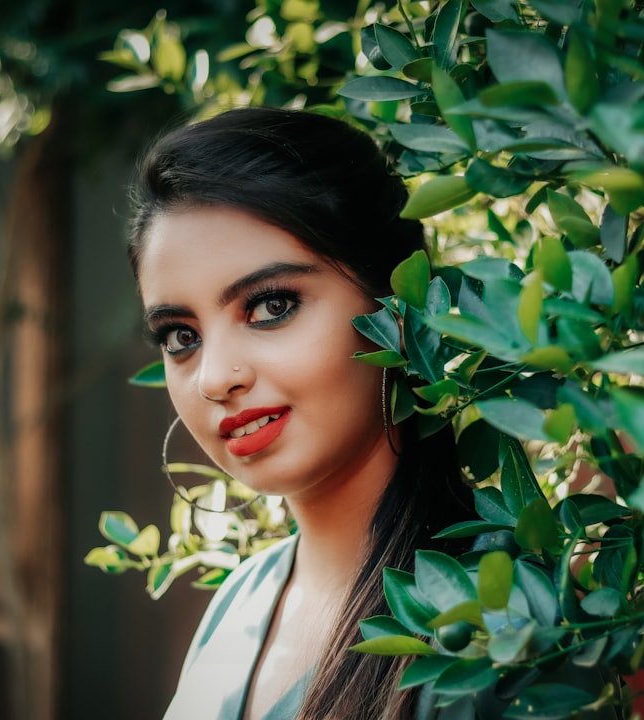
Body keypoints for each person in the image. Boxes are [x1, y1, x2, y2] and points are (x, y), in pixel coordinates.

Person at [127, 106, 479, 719]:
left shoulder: (501, 631)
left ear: (397, 305)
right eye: (180, 336)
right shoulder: (239, 600)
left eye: (270, 307)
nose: (213, 378)